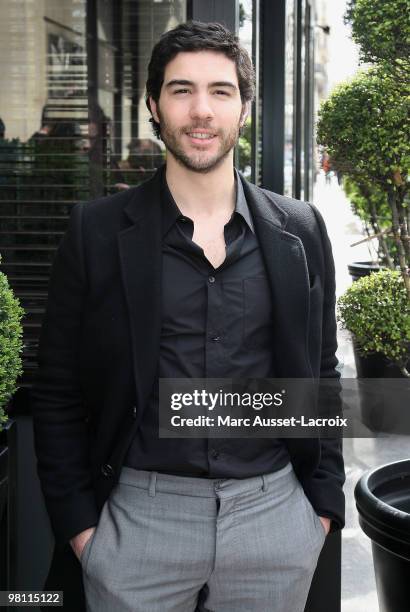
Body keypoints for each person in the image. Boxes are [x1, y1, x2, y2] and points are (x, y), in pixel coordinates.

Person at [31, 20, 345, 612]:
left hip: (273, 518)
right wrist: (82, 530)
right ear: (154, 104)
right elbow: (57, 392)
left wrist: (321, 509)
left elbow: (319, 373)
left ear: (245, 108)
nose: (201, 110)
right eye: (181, 90)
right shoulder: (95, 232)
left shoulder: (299, 229)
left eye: (220, 91)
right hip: (138, 521)